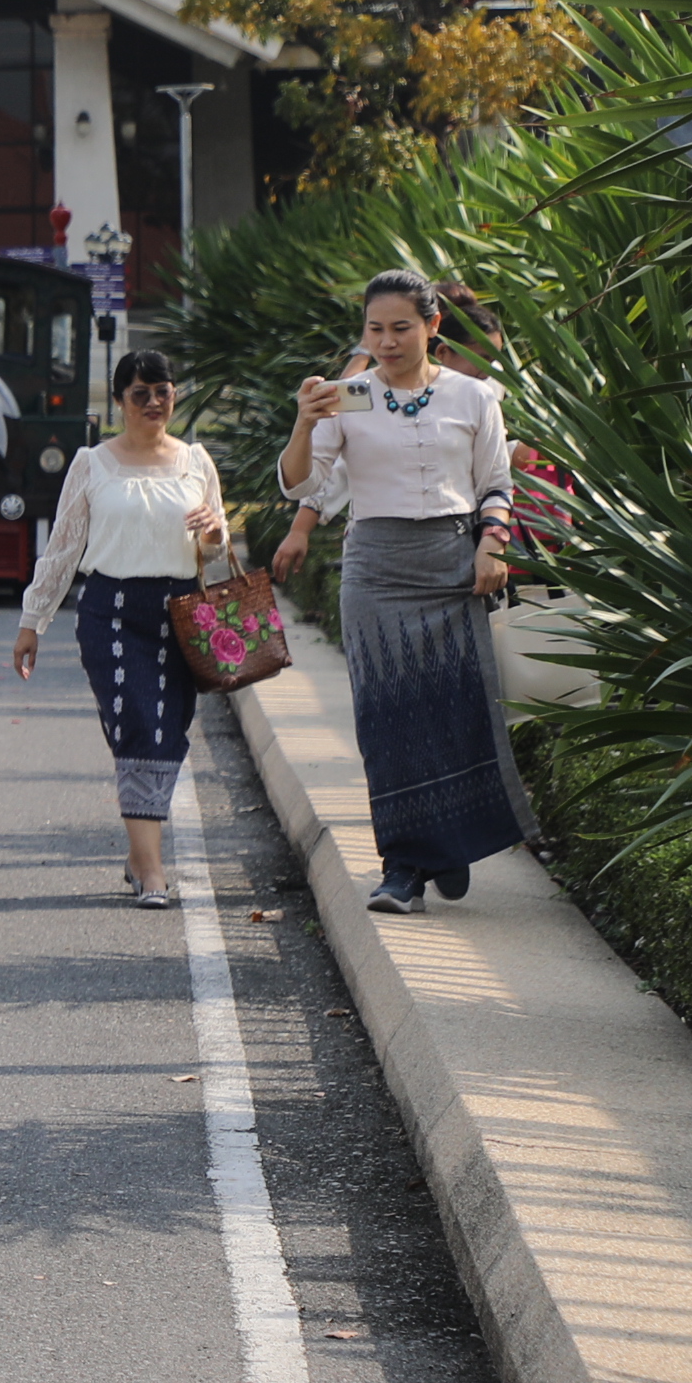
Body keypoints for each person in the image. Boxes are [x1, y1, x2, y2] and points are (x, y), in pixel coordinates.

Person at [273, 273, 523, 915]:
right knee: (387, 717)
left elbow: (497, 483)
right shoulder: (347, 398)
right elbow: (305, 487)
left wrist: (491, 544)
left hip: (451, 565)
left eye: (400, 328)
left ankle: (449, 842)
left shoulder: (473, 396)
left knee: (452, 707)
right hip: (375, 571)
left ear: (432, 327)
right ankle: (402, 867)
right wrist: (303, 423)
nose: (385, 341)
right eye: (374, 329)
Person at [17, 352, 231, 907]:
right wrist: (32, 620)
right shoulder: (92, 463)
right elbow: (63, 547)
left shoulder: (195, 461)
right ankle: (154, 870)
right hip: (111, 606)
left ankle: (139, 855)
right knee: (137, 721)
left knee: (169, 728)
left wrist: (213, 532)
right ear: (118, 401)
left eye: (164, 391)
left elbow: (219, 549)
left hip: (182, 608)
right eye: (141, 393)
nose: (154, 403)